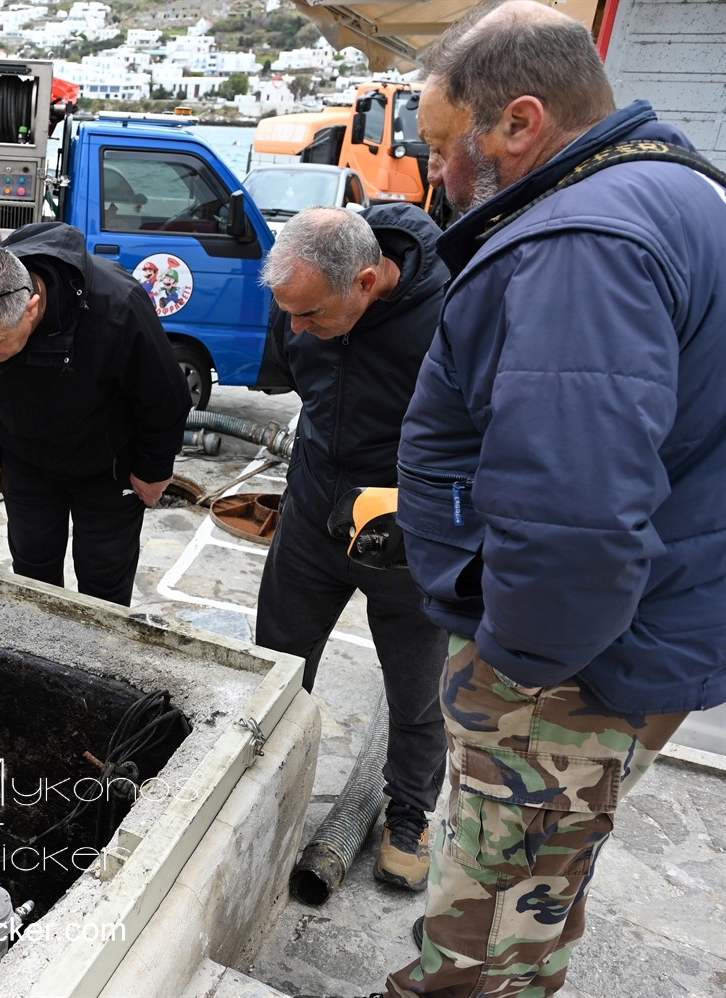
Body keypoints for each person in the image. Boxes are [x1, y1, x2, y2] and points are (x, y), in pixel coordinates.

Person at [338, 3, 726, 996]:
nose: (436, 177)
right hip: (653, 619)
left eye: (442, 147)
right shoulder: (678, 191)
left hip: (568, 670)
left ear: (518, 123)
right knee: (541, 875)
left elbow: (576, 517)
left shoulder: (581, 241)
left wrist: (513, 669)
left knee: (494, 910)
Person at [252, 204, 450, 893]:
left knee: (416, 688)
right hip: (313, 517)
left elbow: (488, 435)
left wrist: (428, 514)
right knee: (276, 665)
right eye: (288, 313)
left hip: (406, 535)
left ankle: (408, 815)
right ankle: (264, 788)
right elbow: (297, 378)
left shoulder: (451, 314)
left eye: (310, 316)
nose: (296, 329)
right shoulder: (300, 293)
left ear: (366, 282)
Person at [0, 224, 191, 606]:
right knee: (32, 571)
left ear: (31, 308)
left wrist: (153, 470)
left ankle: (100, 644)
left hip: (107, 464)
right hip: (24, 458)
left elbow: (165, 397)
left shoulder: (117, 305)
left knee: (104, 579)